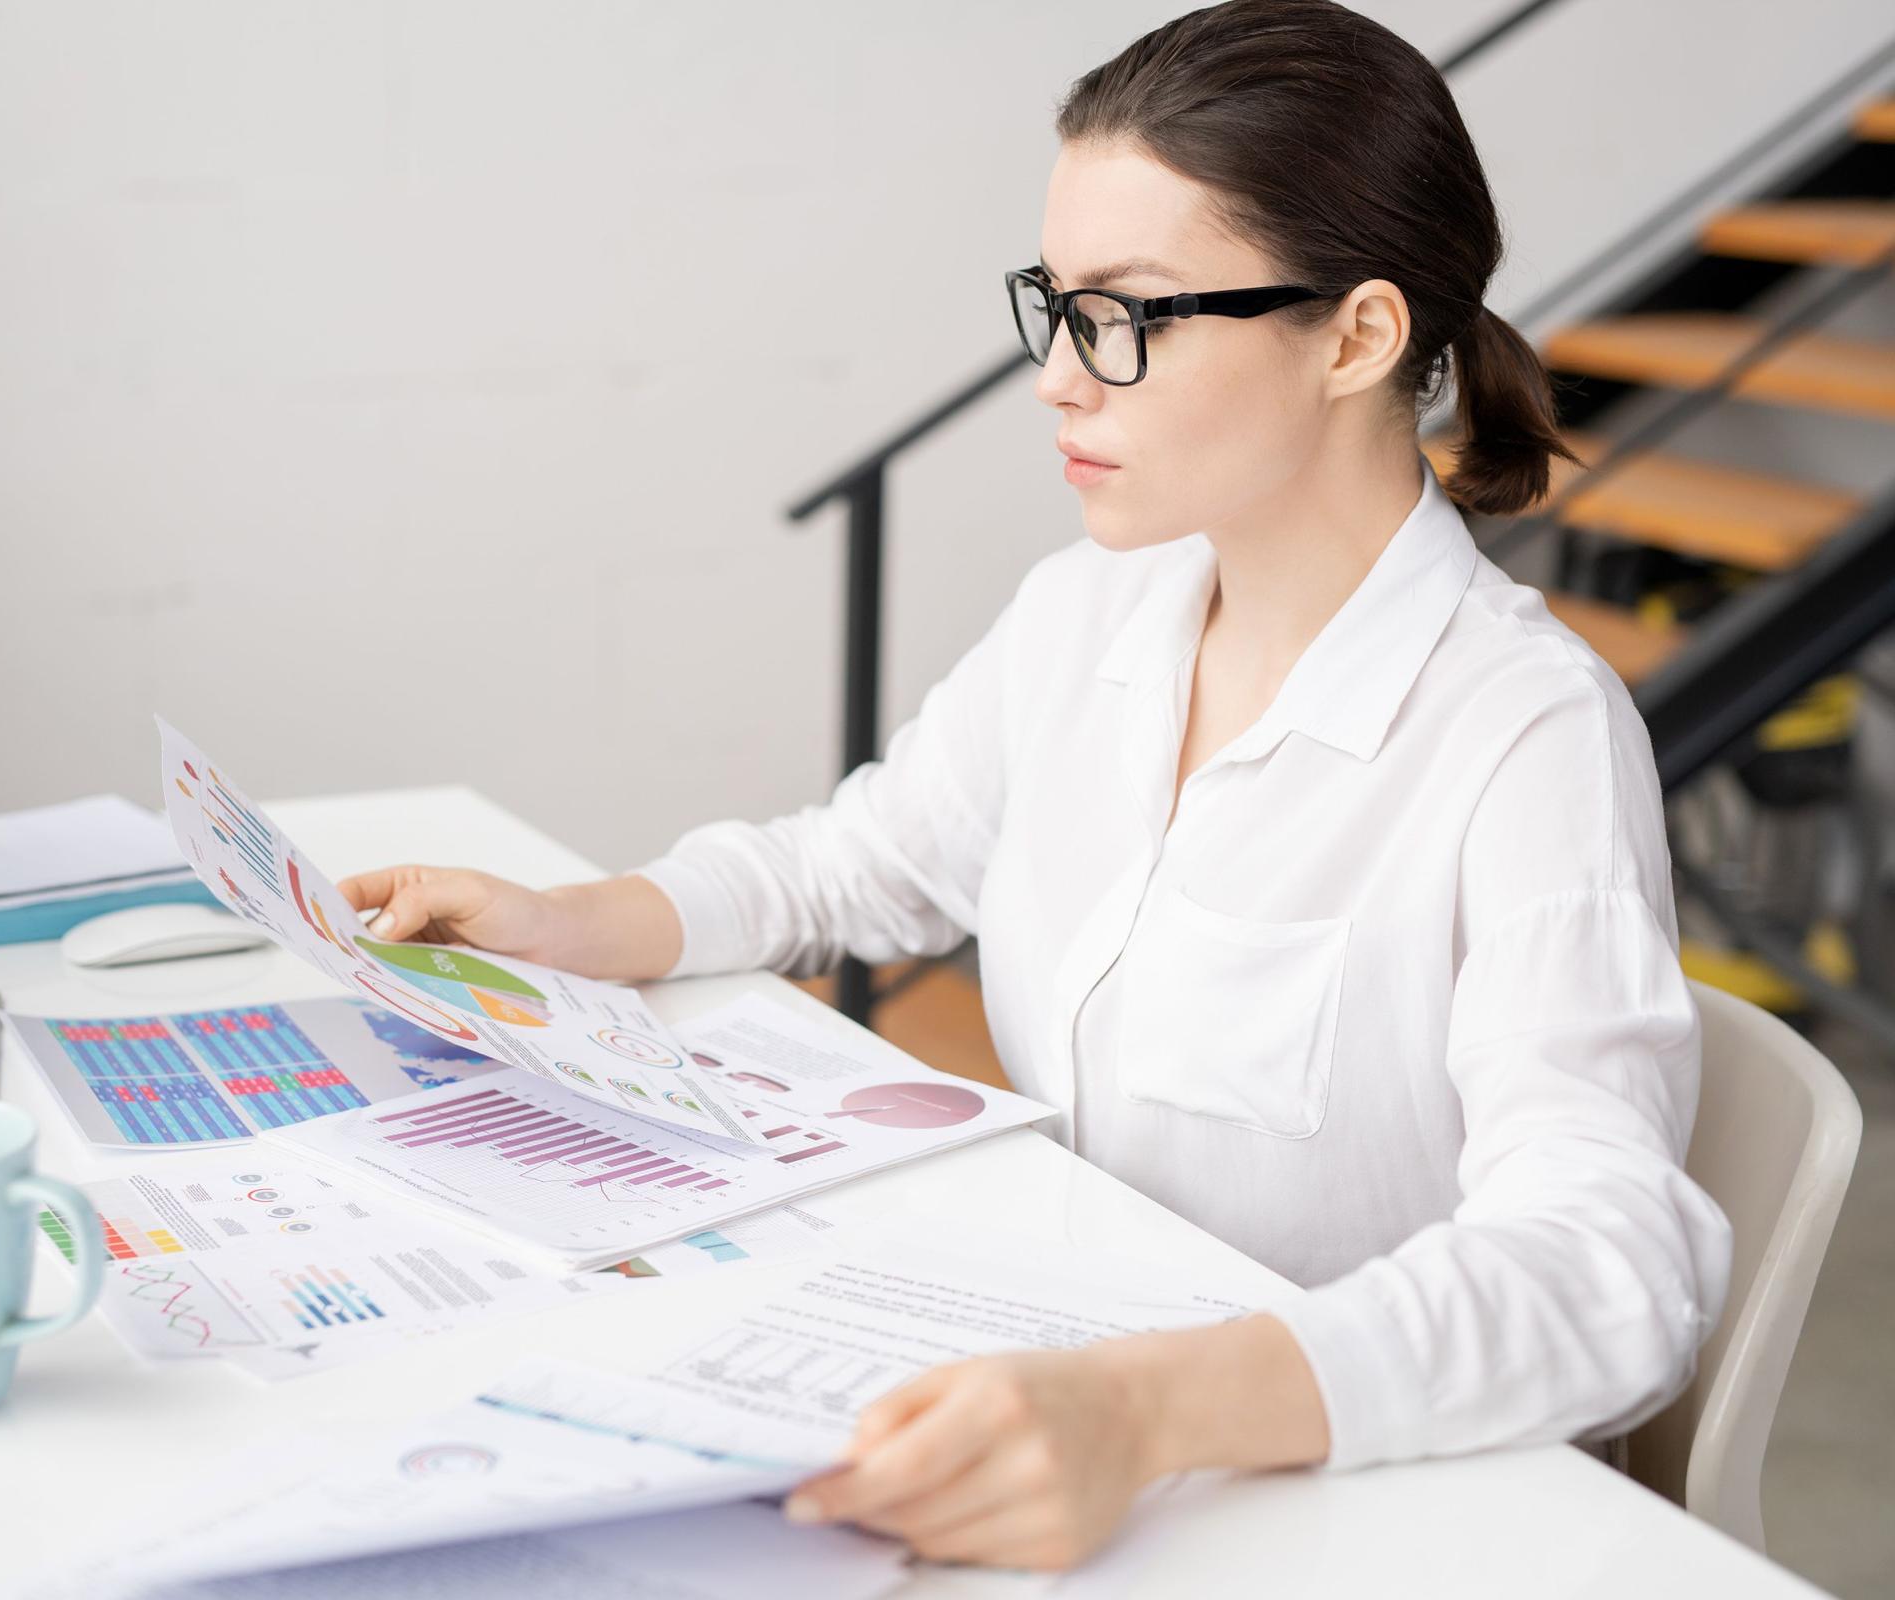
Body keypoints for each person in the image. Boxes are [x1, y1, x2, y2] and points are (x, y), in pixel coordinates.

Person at [336, 0, 1732, 1573]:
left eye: (1127, 315)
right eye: (1054, 307)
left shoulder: (1522, 731)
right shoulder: (1095, 613)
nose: (1062, 380)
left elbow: (1613, 1266)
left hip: (1324, 1499)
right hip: (1065, 1386)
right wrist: (567, 919)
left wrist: (1141, 1412)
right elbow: (856, 863)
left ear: (1358, 336)